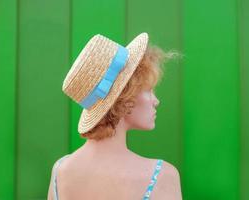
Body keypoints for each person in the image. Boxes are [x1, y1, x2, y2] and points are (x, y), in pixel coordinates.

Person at [47, 32, 182, 199]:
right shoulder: (161, 176)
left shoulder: (60, 171)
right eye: (148, 90)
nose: (156, 101)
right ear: (125, 97)